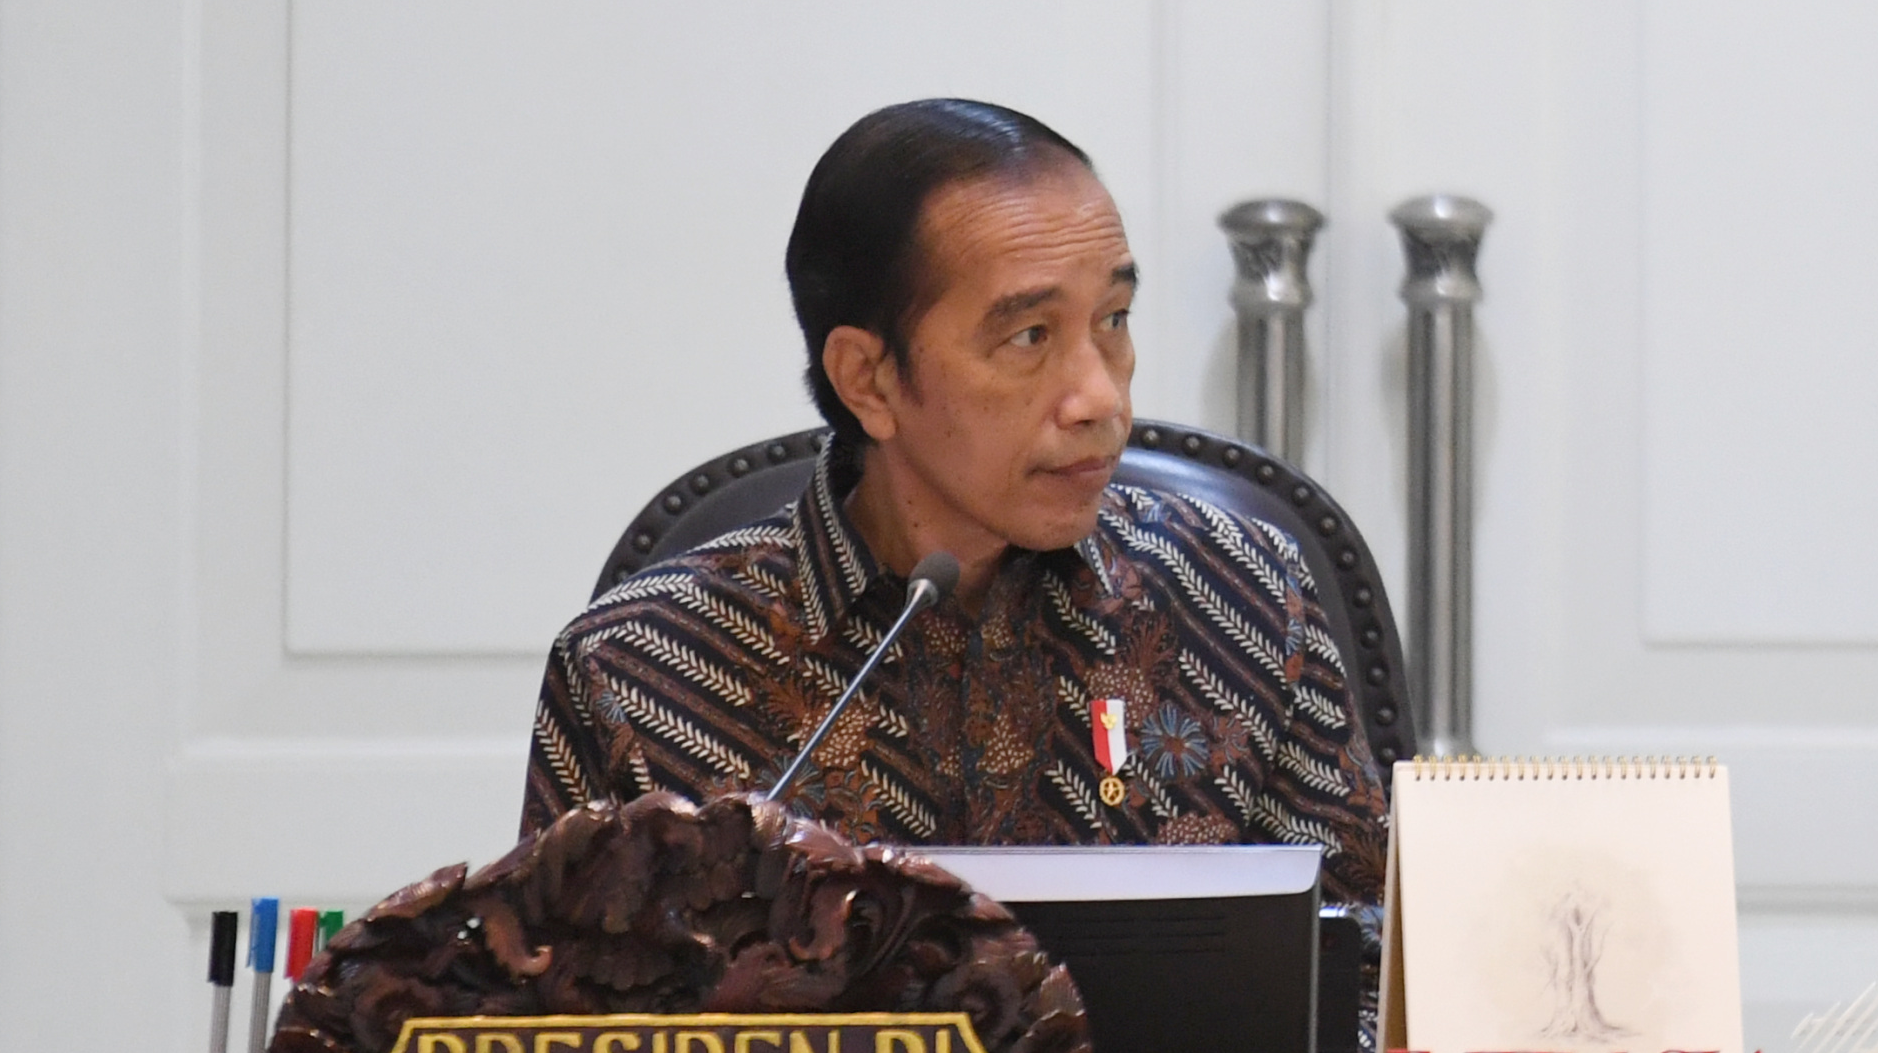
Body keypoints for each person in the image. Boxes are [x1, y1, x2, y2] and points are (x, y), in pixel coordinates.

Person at [522, 100, 1387, 899]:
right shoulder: (633, 677)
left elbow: (1365, 982)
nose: (1102, 398)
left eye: (1114, 320)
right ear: (870, 379)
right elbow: (569, 1045)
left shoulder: (1242, 594)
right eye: (1029, 336)